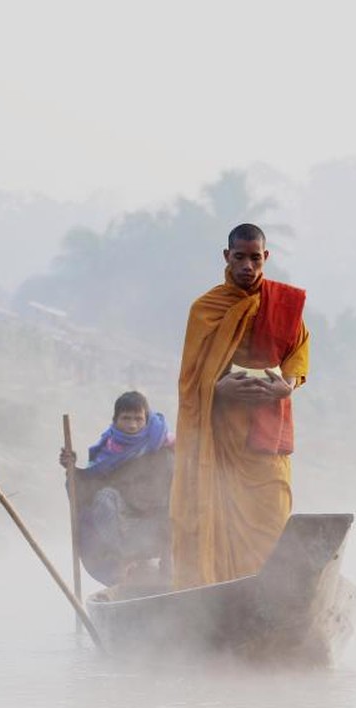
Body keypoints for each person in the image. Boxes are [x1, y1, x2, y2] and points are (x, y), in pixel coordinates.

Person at [170, 223, 309, 588]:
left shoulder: (283, 304)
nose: (248, 266)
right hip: (222, 438)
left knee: (274, 516)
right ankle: (221, 598)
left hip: (266, 433)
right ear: (226, 257)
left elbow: (298, 351)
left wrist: (287, 385)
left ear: (266, 258)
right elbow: (190, 379)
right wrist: (218, 387)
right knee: (219, 517)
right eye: (239, 257)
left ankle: (273, 595)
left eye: (255, 258)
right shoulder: (206, 309)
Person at [60, 390, 175, 586]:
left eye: (138, 419)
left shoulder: (163, 446)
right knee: (104, 499)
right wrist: (71, 469)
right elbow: (89, 487)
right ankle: (125, 561)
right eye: (126, 418)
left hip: (161, 519)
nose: (132, 425)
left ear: (146, 419)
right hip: (125, 524)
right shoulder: (109, 451)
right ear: (115, 420)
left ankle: (168, 566)